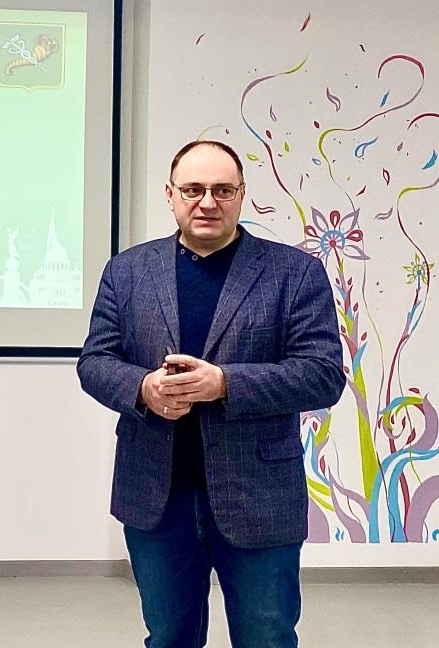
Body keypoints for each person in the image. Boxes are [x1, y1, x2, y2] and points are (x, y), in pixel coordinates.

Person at [77, 140, 345, 647]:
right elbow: (95, 362)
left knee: (266, 639)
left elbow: (322, 374)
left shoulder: (294, 273)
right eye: (193, 189)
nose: (207, 202)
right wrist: (143, 388)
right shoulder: (127, 271)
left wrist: (224, 384)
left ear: (242, 194)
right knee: (168, 638)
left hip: (260, 496)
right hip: (157, 496)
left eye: (222, 190)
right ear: (170, 194)